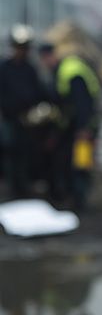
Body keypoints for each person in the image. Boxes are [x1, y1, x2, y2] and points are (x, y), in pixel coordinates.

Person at [38, 43, 101, 210]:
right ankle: (71, 197)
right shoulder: (60, 71)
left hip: (85, 127)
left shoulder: (71, 71)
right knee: (68, 161)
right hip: (73, 126)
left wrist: (83, 129)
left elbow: (83, 104)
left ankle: (80, 201)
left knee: (81, 163)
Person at [0, 24, 45, 199]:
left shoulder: (30, 69)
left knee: (25, 153)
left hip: (27, 120)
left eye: (24, 48)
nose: (21, 51)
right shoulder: (4, 68)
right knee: (9, 152)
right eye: (18, 47)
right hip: (9, 119)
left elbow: (38, 92)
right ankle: (11, 187)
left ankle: (23, 186)